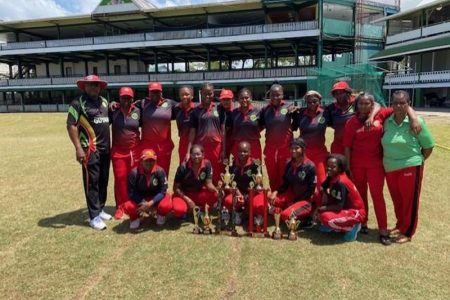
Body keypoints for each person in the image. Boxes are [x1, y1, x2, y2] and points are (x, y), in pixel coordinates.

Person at [343, 92, 421, 245]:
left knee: (377, 196)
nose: (364, 106)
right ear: (356, 105)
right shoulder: (351, 122)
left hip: (376, 165)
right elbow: (347, 147)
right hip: (357, 165)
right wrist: (347, 167)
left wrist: (413, 118)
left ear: (372, 105)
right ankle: (363, 223)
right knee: (361, 196)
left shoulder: (380, 115)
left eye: (367, 103)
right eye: (361, 103)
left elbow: (403, 107)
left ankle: (383, 229)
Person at [381, 90, 435, 244]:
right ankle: (400, 225)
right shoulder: (387, 121)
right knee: (397, 199)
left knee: (409, 201)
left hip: (410, 166)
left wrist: (418, 160)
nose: (399, 106)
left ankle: (408, 231)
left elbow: (428, 146)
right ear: (391, 104)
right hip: (390, 167)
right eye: (396, 103)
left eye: (402, 103)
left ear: (408, 104)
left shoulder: (417, 122)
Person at [67, 74, 112, 230]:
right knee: (91, 182)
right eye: (90, 85)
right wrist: (78, 148)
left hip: (106, 149)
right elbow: (71, 125)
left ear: (100, 87)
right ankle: (93, 217)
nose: (94, 87)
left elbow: (108, 121)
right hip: (90, 149)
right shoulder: (77, 103)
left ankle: (100, 208)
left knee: (103, 180)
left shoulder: (104, 101)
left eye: (96, 85)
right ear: (84, 87)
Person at [267, 138, 317, 227]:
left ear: (303, 149)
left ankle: (307, 217)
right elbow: (285, 183)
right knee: (269, 198)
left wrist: (294, 201)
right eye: (292, 148)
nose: (293, 150)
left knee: (286, 215)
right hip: (292, 195)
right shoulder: (289, 163)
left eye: (297, 148)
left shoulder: (310, 167)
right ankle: (284, 209)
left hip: (305, 200)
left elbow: (310, 191)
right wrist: (276, 192)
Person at [317, 154, 366, 242]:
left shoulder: (341, 182)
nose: (329, 168)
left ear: (339, 168)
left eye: (333, 167)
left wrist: (321, 209)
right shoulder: (332, 176)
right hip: (344, 208)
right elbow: (322, 187)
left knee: (325, 217)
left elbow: (339, 206)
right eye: (328, 166)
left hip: (356, 213)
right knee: (318, 197)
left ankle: (352, 227)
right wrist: (324, 193)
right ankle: (335, 224)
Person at [110, 87, 141, 220]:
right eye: (123, 98)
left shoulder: (139, 111)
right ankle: (120, 207)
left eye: (128, 98)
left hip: (135, 151)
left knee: (134, 179)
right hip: (118, 152)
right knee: (120, 179)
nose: (126, 101)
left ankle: (134, 204)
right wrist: (112, 103)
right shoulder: (113, 111)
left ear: (132, 99)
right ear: (119, 98)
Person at [324, 81, 380, 155]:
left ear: (347, 92)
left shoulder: (356, 103)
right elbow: (330, 124)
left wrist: (371, 117)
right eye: (336, 94)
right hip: (338, 145)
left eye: (341, 93)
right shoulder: (331, 108)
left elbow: (376, 105)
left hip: (355, 144)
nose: (338, 96)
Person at [186, 82, 226, 183]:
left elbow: (223, 131)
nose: (208, 96)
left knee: (218, 175)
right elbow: (192, 133)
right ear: (201, 93)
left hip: (216, 147)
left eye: (210, 93)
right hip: (201, 148)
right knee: (203, 173)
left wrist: (223, 150)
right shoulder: (195, 111)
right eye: (205, 93)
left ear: (213, 93)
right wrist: (188, 151)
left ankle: (218, 196)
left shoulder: (220, 109)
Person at [122, 149, 172, 230]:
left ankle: (161, 215)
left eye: (151, 160)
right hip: (141, 199)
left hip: (155, 198)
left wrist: (151, 203)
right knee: (128, 206)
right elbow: (131, 193)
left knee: (166, 205)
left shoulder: (160, 171)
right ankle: (135, 218)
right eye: (146, 160)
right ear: (141, 161)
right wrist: (144, 203)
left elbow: (163, 191)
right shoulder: (134, 173)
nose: (149, 163)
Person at [259, 83, 296, 190]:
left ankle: (284, 199)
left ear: (282, 95)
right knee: (272, 176)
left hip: (285, 149)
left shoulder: (289, 107)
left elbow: (297, 123)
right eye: (273, 95)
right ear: (269, 95)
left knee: (285, 176)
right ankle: (274, 200)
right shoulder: (265, 110)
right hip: (270, 149)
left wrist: (296, 113)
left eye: (278, 95)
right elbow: (260, 126)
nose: (275, 97)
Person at [293, 90, 328, 190]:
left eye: (315, 101)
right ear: (306, 102)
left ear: (319, 101)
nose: (312, 104)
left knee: (321, 181)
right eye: (309, 102)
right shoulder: (300, 114)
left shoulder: (325, 113)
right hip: (304, 154)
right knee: (303, 180)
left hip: (319, 153)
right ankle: (306, 203)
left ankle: (321, 202)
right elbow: (291, 127)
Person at [139, 82, 176, 175]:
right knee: (147, 172)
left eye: (157, 92)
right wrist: (115, 103)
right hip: (148, 145)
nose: (155, 94)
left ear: (161, 92)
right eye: (153, 92)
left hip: (164, 145)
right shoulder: (142, 103)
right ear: (149, 93)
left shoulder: (169, 103)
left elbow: (184, 107)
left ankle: (163, 189)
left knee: (163, 172)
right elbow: (127, 106)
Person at [172, 144, 219, 218]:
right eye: (193, 155)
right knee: (178, 210)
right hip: (184, 194)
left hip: (198, 194)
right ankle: (187, 209)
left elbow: (208, 184)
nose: (196, 157)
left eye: (198, 154)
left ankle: (197, 209)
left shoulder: (207, 164)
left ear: (203, 155)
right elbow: (175, 188)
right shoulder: (183, 167)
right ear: (190, 155)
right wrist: (188, 200)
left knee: (216, 194)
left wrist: (217, 190)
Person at [222, 141, 262, 225]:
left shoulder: (256, 165)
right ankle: (238, 213)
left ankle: (253, 215)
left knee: (258, 202)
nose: (242, 153)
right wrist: (237, 193)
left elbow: (259, 184)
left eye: (245, 151)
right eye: (240, 151)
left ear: (250, 152)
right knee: (228, 200)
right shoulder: (231, 165)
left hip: (252, 193)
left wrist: (249, 195)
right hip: (237, 193)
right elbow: (229, 183)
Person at [229, 88, 262, 161]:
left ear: (251, 98)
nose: (244, 100)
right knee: (238, 169)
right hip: (238, 145)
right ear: (238, 99)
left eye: (247, 98)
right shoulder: (234, 113)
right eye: (242, 98)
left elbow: (262, 125)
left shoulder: (258, 111)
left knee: (255, 169)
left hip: (254, 144)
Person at [173, 85, 196, 164]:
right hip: (183, 142)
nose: (184, 96)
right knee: (184, 166)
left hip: (196, 142)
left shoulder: (197, 109)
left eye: (187, 94)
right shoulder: (176, 109)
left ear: (192, 96)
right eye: (182, 95)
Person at [218, 89, 235, 159]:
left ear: (232, 99)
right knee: (223, 163)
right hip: (220, 143)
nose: (226, 102)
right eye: (223, 99)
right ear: (220, 100)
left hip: (233, 142)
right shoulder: (216, 111)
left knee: (234, 164)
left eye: (228, 99)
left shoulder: (236, 112)